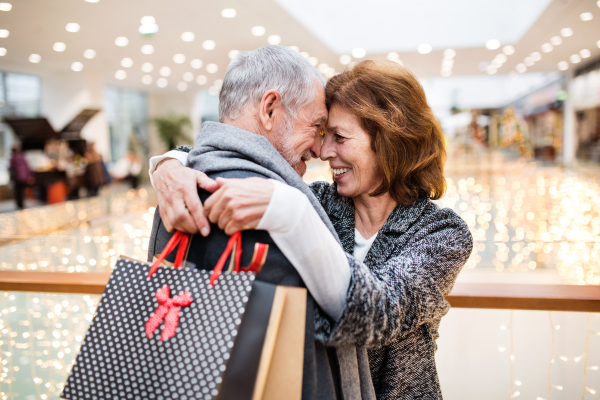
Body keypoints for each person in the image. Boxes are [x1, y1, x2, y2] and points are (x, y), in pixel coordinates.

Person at [152, 57, 473, 399]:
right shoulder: (318, 199)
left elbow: (382, 313)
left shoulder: (442, 233)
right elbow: (226, 148)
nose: (323, 151)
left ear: (389, 140)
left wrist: (293, 212)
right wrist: (169, 166)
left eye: (339, 136)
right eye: (322, 133)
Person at [148, 45, 352, 400]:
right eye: (316, 126)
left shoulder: (179, 186)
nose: (320, 150)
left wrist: (166, 162)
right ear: (270, 109)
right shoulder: (263, 203)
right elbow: (303, 351)